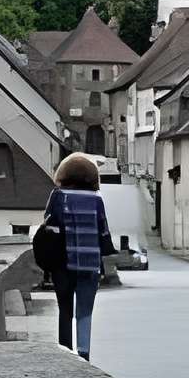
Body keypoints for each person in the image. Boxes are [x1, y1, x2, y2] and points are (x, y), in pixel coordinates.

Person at [43, 153, 111, 359]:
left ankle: (65, 352)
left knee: (65, 311)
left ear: (63, 175)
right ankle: (84, 354)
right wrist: (103, 265)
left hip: (63, 265)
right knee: (85, 313)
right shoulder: (97, 200)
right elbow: (103, 233)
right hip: (89, 265)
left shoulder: (57, 196)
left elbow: (48, 225)